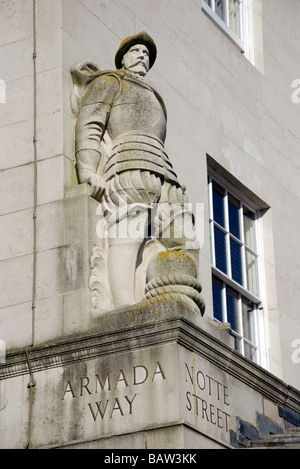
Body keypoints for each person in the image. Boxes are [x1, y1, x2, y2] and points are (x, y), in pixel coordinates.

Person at [72, 32, 201, 310]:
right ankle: (124, 307)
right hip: (129, 164)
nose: (142, 55)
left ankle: (180, 304)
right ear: (123, 58)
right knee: (128, 234)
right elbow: (90, 123)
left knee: (185, 239)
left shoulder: (155, 94)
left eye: (146, 53)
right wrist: (87, 169)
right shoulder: (111, 81)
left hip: (166, 174)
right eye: (136, 51)